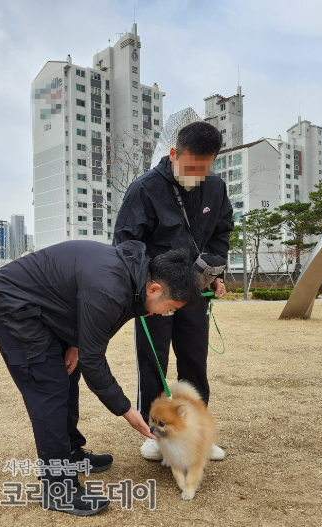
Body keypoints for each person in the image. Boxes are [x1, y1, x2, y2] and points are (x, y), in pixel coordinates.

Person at [0, 241, 201, 516]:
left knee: (67, 374)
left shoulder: (133, 278)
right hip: (12, 303)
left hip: (46, 308)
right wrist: (127, 411)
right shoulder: (110, 287)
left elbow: (87, 321)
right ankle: (57, 487)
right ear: (154, 289)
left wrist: (75, 343)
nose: (166, 314)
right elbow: (94, 362)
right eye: (169, 308)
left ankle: (70, 454)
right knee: (49, 387)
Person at [113, 121, 233, 462]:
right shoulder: (144, 188)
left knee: (194, 361)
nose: (196, 174)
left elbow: (221, 232)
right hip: (155, 292)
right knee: (153, 361)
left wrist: (213, 271)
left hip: (195, 289)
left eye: (204, 168)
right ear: (173, 154)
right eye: (190, 166)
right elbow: (125, 243)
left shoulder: (216, 188)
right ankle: (156, 433)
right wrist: (144, 288)